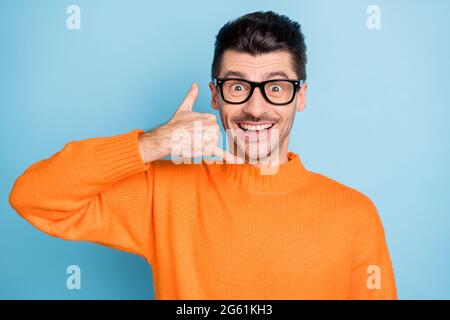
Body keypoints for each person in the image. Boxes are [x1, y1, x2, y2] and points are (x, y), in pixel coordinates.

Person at [9, 11, 397, 299]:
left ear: (301, 97)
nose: (256, 108)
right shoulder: (163, 192)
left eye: (276, 88)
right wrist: (152, 144)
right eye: (237, 87)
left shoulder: (353, 214)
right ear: (215, 96)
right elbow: (33, 196)